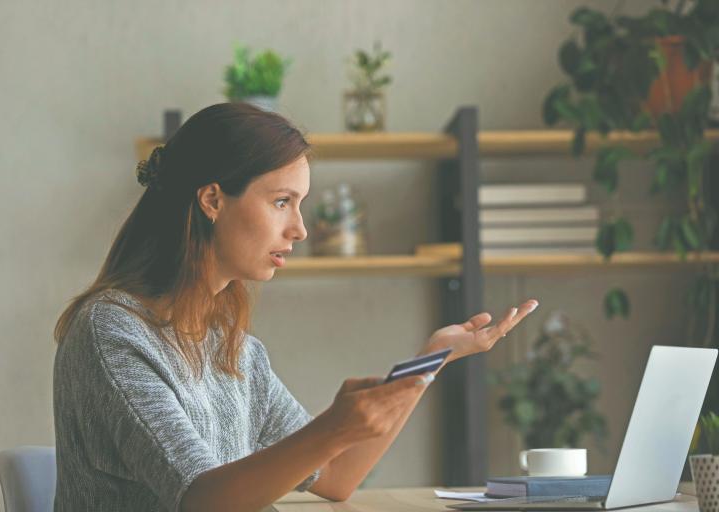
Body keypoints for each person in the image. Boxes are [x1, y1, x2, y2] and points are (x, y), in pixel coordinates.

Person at [52, 102, 539, 512]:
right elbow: (201, 499)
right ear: (212, 200)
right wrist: (332, 427)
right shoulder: (113, 331)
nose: (300, 229)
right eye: (282, 201)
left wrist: (431, 361)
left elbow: (335, 475)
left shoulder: (234, 348)